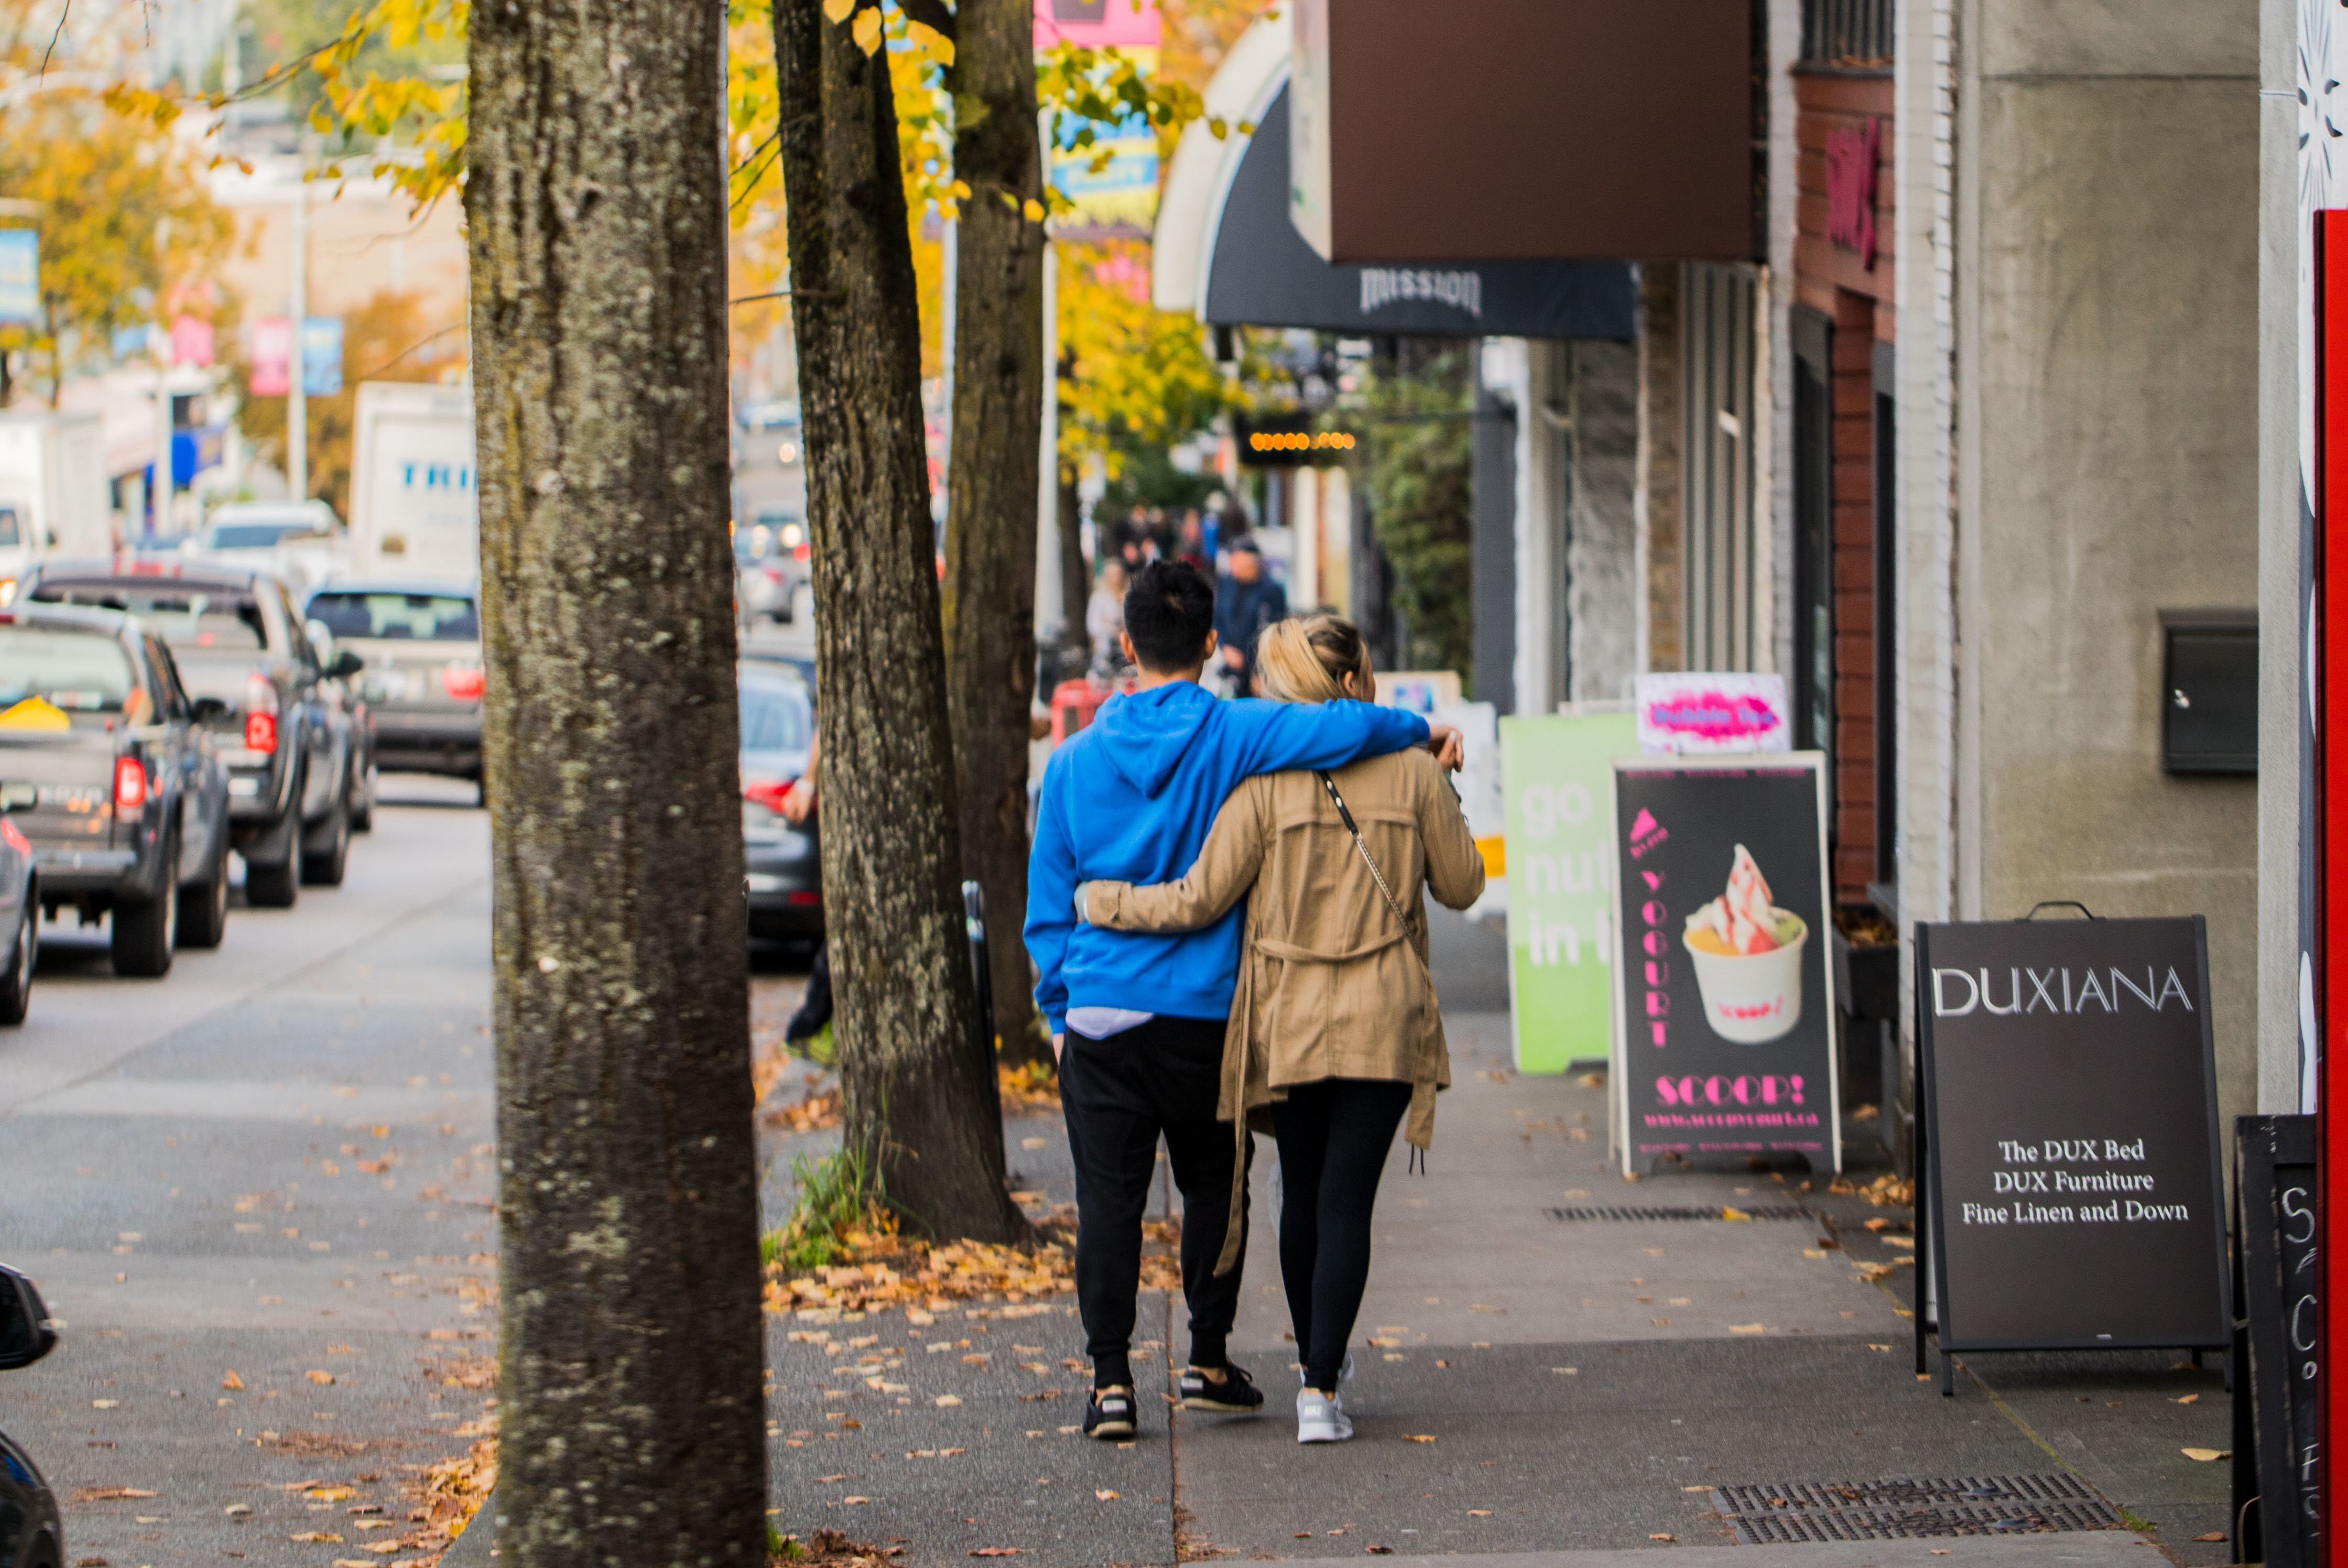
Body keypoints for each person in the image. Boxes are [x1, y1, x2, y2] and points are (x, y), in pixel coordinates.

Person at [1024, 563, 1461, 1443]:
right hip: (1202, 1013)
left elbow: (1047, 905)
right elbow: (1342, 724)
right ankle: (1208, 1356)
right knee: (1215, 1185)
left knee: (1107, 1201)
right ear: (1213, 646)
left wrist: (1059, 1012)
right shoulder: (1236, 735)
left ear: (1125, 644)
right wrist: (1420, 727)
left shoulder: (1070, 767)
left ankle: (1111, 1381)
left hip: (1102, 1012)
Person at [1214, 540, 1286, 693]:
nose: (1233, 567)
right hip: (1229, 664)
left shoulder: (1271, 591)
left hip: (1257, 671)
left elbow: (1272, 631)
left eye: (1238, 563)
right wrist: (1225, 647)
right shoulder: (1227, 584)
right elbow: (1218, 619)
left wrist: (1260, 671)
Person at [1086, 559, 1130, 673]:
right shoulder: (1099, 598)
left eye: (1118, 574)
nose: (1116, 578)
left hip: (1126, 652)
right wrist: (1109, 628)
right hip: (1105, 653)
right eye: (1112, 574)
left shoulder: (1129, 596)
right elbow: (1093, 627)